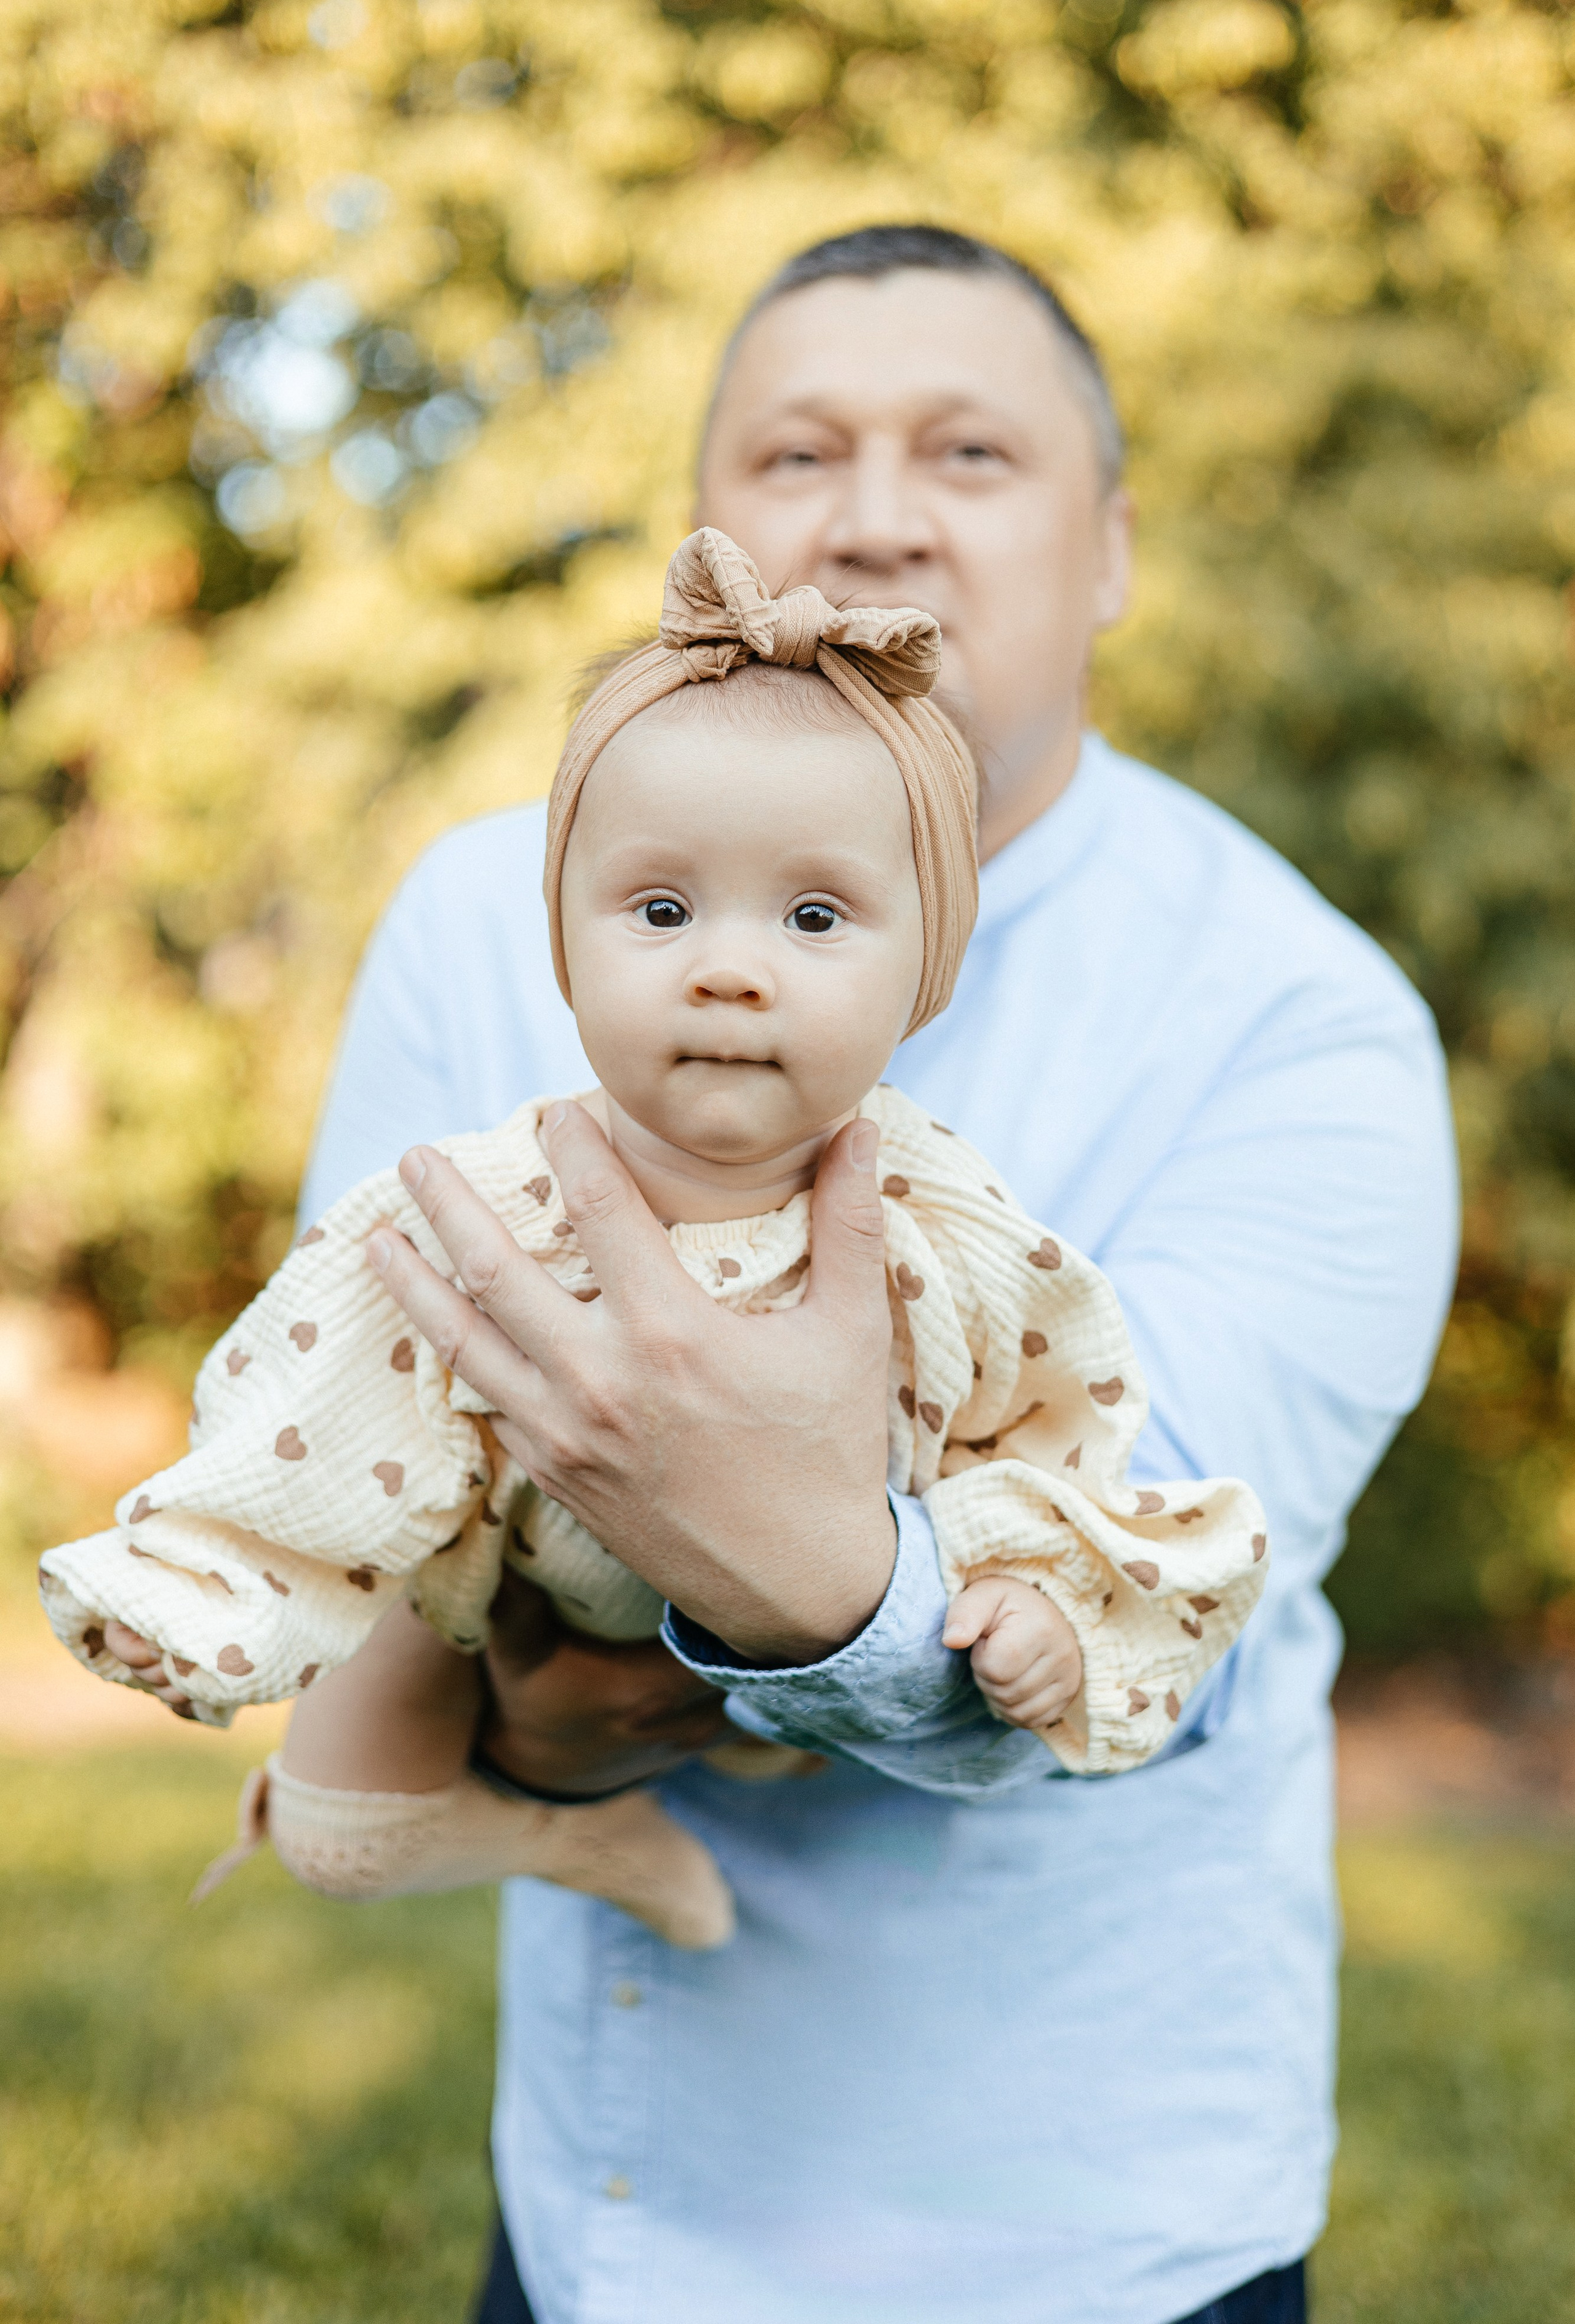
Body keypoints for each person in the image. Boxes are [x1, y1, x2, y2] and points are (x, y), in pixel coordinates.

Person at [255, 230, 1461, 2321]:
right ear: (711, 528)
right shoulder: (481, 918)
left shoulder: (1296, 1021)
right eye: (798, 449)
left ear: (1110, 550)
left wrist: (741, 1577)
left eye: (971, 451)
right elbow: (354, 1462)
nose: (877, 510)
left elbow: (1141, 1624)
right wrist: (529, 1722)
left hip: (1084, 2240)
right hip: (603, 2219)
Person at [54, 524, 1266, 1924]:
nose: (730, 971)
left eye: (814, 916)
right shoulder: (486, 1201)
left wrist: (1040, 1597)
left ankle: (647, 1785)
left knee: (808, 1739)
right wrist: (201, 1580)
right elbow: (307, 1405)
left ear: (922, 967)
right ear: (564, 944)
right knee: (337, 1829)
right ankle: (561, 1830)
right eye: (662, 907)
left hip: (803, 1680)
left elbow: (1051, 1431)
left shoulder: (944, 1227)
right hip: (505, 1587)